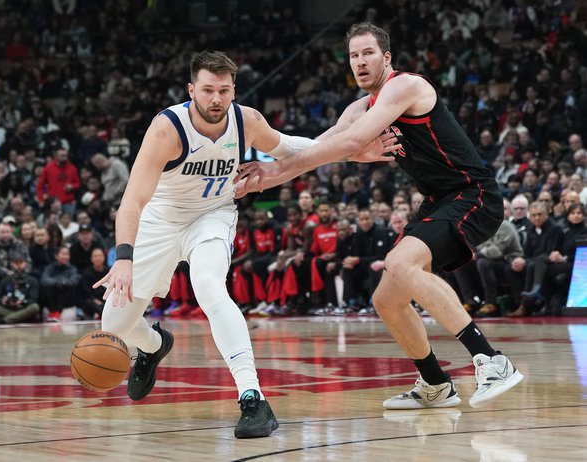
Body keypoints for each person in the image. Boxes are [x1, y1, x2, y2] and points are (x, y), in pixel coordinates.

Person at [92, 51, 385, 438]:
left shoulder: (246, 120)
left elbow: (291, 148)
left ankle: (252, 398)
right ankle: (152, 344)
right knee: (113, 324)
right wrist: (123, 259)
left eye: (224, 91)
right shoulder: (167, 128)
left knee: (210, 287)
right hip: (160, 221)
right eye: (209, 90)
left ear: (234, 90)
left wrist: (351, 150)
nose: (216, 99)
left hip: (212, 216)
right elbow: (132, 201)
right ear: (191, 90)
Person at [236, 22, 524, 409]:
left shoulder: (406, 86)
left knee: (400, 263)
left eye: (368, 53)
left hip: (474, 193)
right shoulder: (359, 108)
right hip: (439, 200)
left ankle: (491, 360)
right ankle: (436, 384)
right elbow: (317, 147)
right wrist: (270, 174)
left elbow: (350, 143)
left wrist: (293, 167)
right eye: (354, 56)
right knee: (386, 299)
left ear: (386, 57)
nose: (360, 62)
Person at [0, 250, 40, 324]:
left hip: (24, 308)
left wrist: (22, 302)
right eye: (16, 263)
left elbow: (34, 300)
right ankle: (22, 319)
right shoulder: (5, 280)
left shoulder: (32, 280)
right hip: (9, 308)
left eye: (21, 263)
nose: (18, 266)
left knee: (35, 307)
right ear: (12, 264)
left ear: (25, 264)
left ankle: (4, 321)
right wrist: (3, 301)